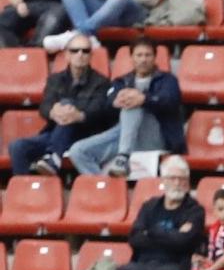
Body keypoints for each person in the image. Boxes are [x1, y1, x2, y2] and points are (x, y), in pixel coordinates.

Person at [63, 34, 181, 179]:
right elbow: (105, 107)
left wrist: (144, 99)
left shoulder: (167, 80)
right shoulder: (121, 81)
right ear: (132, 57)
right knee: (78, 151)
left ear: (154, 57)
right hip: (123, 137)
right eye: (139, 55)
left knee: (133, 102)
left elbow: (170, 101)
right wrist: (114, 103)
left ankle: (123, 157)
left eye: (147, 55)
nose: (143, 59)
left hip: (155, 137)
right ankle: (106, 188)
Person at [110, 156, 205, 270]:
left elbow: (183, 242)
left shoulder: (195, 211)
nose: (177, 183)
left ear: (188, 182)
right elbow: (134, 238)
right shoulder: (150, 206)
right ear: (164, 181)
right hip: (143, 263)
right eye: (172, 178)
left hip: (175, 266)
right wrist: (172, 235)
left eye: (182, 179)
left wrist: (152, 232)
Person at [9, 31, 108, 177]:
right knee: (17, 146)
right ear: (67, 55)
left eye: (85, 51)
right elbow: (44, 106)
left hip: (84, 136)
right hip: (55, 133)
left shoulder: (101, 81)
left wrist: (79, 115)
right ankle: (25, 193)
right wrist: (53, 112)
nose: (80, 54)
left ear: (91, 56)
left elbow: (99, 110)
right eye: (75, 51)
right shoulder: (55, 79)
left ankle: (53, 156)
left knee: (67, 104)